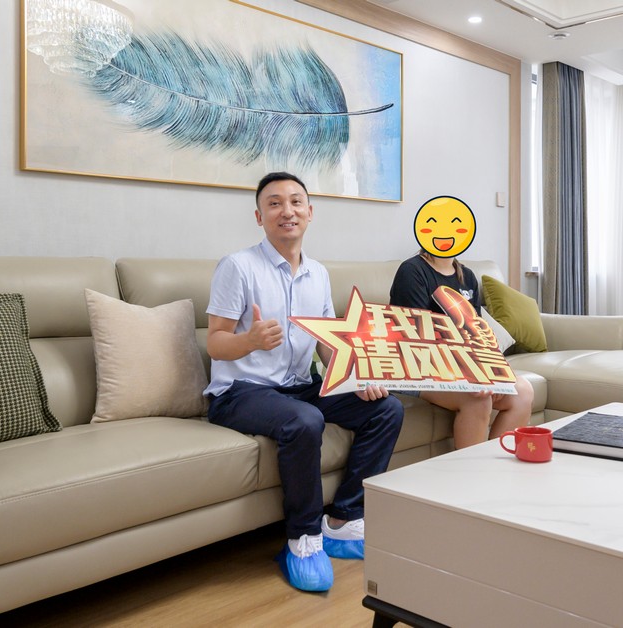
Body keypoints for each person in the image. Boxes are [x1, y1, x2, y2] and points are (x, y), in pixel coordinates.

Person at [204, 172, 404, 593]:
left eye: (296, 202)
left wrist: (355, 378)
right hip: (240, 392)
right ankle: (303, 538)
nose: (287, 211)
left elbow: (327, 344)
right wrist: (249, 341)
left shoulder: (318, 273)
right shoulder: (237, 266)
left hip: (299, 385)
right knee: (305, 419)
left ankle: (344, 519)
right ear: (259, 216)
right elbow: (215, 343)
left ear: (310, 213)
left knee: (386, 408)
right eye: (274, 203)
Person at [390, 251, 533, 449]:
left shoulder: (467, 276)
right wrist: (472, 375)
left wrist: (492, 372)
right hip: (415, 369)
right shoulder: (412, 271)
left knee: (523, 392)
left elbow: (477, 335)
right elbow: (416, 341)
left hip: (460, 367)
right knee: (479, 398)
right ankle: (470, 469)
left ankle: (494, 464)